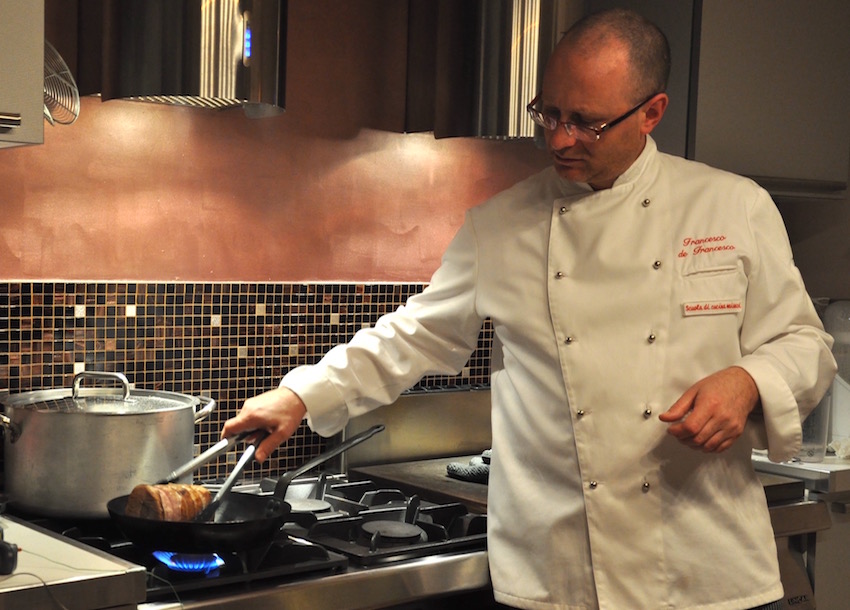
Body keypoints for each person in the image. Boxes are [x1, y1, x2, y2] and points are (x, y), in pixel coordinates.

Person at [222, 8, 836, 610]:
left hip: (705, 564)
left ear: (652, 112)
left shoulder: (732, 207)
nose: (559, 139)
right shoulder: (500, 226)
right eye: (550, 113)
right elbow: (414, 336)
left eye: (587, 122)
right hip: (560, 570)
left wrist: (748, 382)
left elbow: (805, 346)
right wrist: (301, 395)